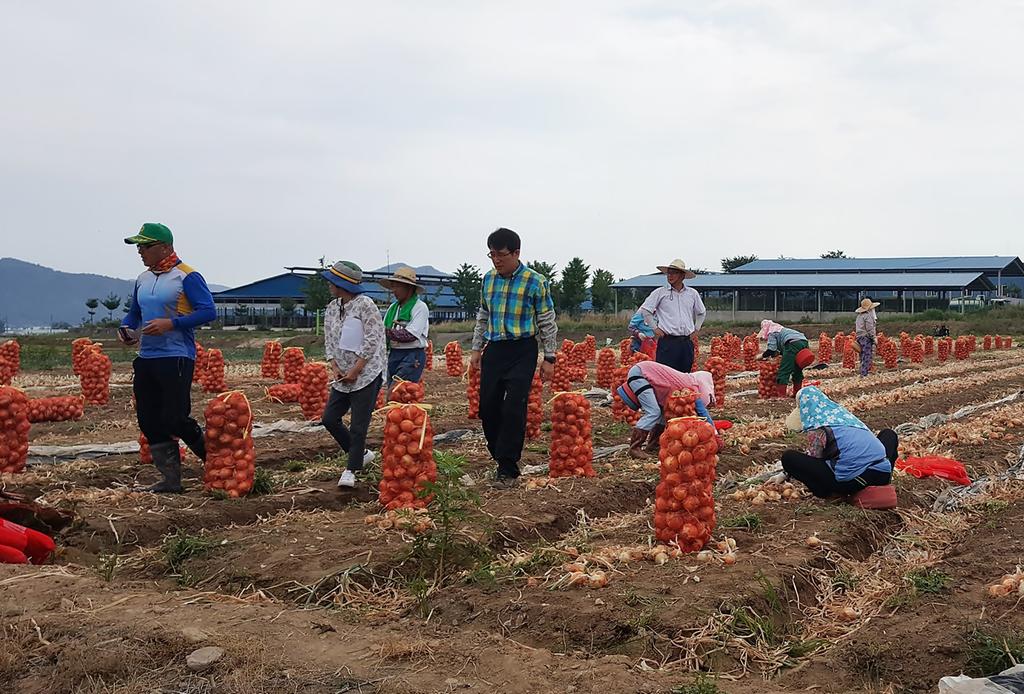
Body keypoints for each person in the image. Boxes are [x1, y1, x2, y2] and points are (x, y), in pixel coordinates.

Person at [119, 223, 216, 493]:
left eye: (145, 246)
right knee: (148, 420)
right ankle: (171, 479)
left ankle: (215, 460)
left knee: (175, 417)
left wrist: (171, 324)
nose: (140, 251)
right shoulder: (143, 278)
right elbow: (134, 313)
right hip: (147, 356)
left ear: (165, 247)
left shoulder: (187, 276)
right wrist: (126, 329)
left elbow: (208, 311)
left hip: (176, 356)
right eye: (138, 246)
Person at [471, 228, 559, 486]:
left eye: (501, 254)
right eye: (492, 255)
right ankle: (499, 454)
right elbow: (483, 316)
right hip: (495, 349)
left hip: (522, 349)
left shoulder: (535, 281)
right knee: (487, 407)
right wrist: (476, 349)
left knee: (514, 407)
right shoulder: (488, 280)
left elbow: (546, 321)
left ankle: (508, 466)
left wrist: (550, 357)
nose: (496, 260)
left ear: (516, 253)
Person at [321, 261, 387, 489]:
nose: (328, 285)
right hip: (342, 374)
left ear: (342, 283)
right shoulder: (331, 308)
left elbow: (373, 339)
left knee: (359, 425)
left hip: (366, 372)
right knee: (329, 418)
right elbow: (328, 339)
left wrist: (356, 369)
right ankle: (362, 454)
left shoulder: (365, 306)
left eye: (332, 281)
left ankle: (351, 469)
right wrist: (334, 365)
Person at [780, 386, 896, 502]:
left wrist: (785, 473)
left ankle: (832, 494)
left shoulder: (818, 429)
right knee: (888, 434)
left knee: (789, 457)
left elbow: (814, 459)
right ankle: (882, 485)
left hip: (857, 481)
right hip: (882, 474)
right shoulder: (845, 418)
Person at [614, 360, 719, 458]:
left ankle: (653, 444)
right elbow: (702, 412)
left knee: (661, 413)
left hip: (641, 371)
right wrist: (714, 434)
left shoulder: (685, 380)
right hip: (641, 374)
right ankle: (635, 447)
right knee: (653, 412)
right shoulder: (691, 387)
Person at [639, 259, 706, 373]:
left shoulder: (692, 293)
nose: (670, 275)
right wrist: (655, 328)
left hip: (686, 342)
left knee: (685, 375)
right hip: (668, 342)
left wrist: (697, 328)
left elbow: (701, 312)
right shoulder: (660, 292)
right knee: (666, 375)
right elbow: (645, 310)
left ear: (682, 276)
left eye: (674, 273)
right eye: (668, 273)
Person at [379, 266, 429, 397]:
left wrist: (383, 331)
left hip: (412, 355)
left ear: (409, 288)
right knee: (394, 392)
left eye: (397, 287)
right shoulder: (393, 308)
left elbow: (410, 335)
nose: (393, 291)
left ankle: (407, 416)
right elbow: (382, 333)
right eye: (393, 287)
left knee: (398, 393)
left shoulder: (420, 307)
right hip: (394, 354)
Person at [758, 320, 812, 397]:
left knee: (784, 370)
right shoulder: (781, 330)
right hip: (804, 342)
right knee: (797, 369)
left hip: (792, 344)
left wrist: (761, 356)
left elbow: (771, 350)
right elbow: (779, 350)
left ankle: (781, 396)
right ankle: (797, 393)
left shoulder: (772, 332)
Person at [854, 297, 880, 377]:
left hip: (859, 337)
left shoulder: (859, 316)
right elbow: (870, 328)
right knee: (867, 354)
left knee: (862, 355)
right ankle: (864, 373)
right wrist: (874, 338)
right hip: (866, 337)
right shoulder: (868, 316)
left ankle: (862, 371)